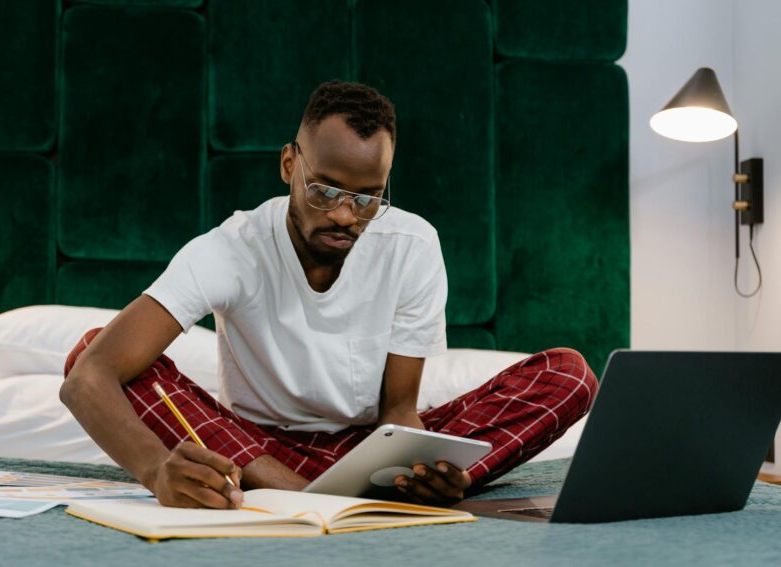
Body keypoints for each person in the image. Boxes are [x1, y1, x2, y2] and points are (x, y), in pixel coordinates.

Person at [60, 80, 598, 510]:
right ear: (290, 165)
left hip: (369, 449)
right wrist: (157, 471)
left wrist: (429, 468)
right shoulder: (230, 249)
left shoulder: (412, 244)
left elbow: (399, 410)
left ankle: (379, 495)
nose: (345, 215)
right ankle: (314, 494)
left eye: (368, 198)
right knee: (91, 347)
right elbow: (89, 378)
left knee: (570, 374)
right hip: (252, 446)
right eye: (325, 190)